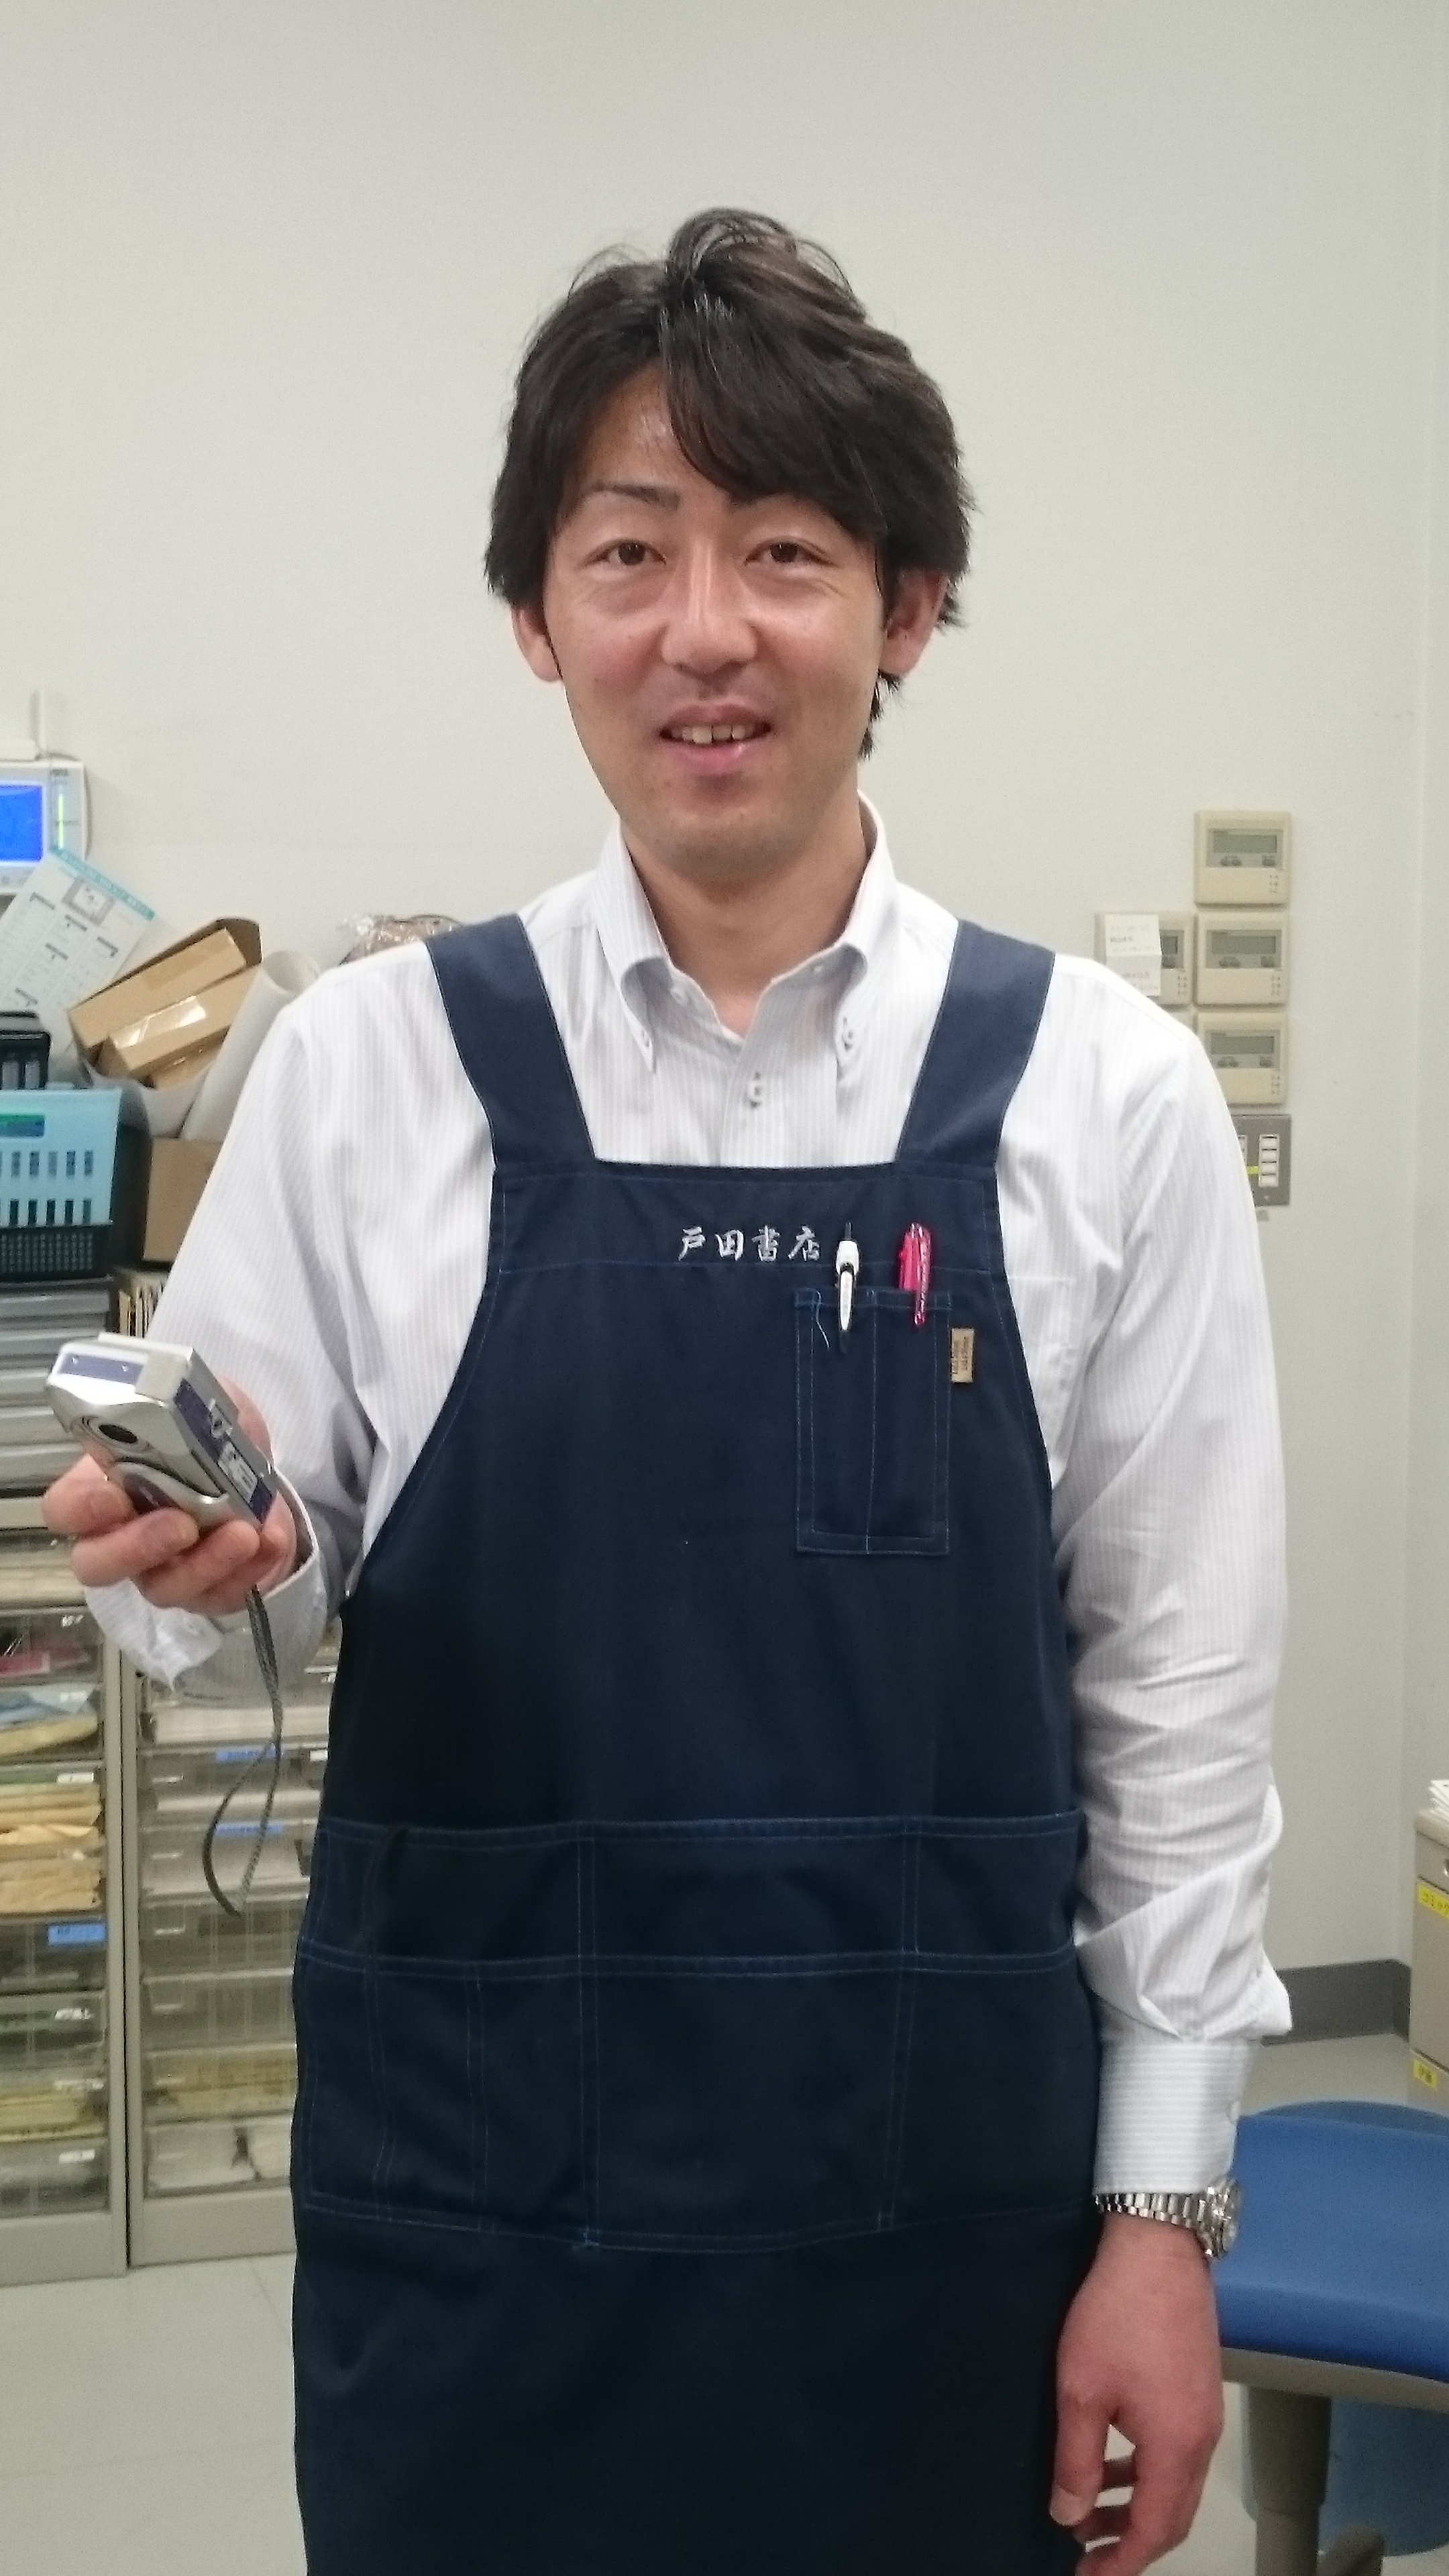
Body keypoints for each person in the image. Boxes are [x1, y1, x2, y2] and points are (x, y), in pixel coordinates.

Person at [44, 209, 1288, 2574]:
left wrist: (1165, 2217)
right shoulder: (369, 1072)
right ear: (540, 616)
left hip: (947, 2237)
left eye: (785, 550)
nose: (704, 629)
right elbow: (235, 1599)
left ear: (907, 606)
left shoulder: (1107, 1099)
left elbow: (1182, 1703)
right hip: (480, 2232)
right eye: (629, 552)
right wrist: (203, 1560)